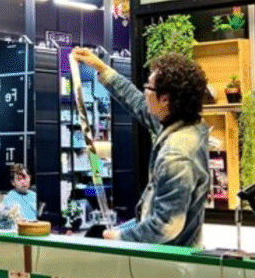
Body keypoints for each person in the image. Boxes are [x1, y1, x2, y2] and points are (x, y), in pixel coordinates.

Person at [70, 49, 210, 247]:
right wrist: (101, 68)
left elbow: (166, 226)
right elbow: (136, 103)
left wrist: (119, 238)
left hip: (168, 260)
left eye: (149, 87)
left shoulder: (176, 155)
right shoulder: (186, 126)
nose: (145, 92)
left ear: (165, 99)